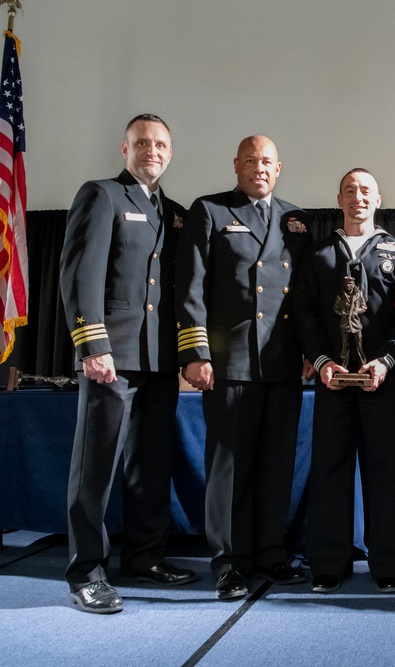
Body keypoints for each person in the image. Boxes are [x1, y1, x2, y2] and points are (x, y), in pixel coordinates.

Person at [60, 113, 196, 614]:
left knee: (149, 466)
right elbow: (80, 275)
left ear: (170, 152)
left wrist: (186, 355)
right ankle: (86, 572)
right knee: (94, 467)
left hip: (159, 360)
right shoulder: (102, 195)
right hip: (111, 358)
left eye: (161, 143)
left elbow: (180, 293)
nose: (152, 150)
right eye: (142, 142)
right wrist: (92, 345)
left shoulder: (176, 213)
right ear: (125, 149)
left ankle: (144, 557)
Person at [176, 135, 314, 601]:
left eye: (267, 161)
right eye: (251, 160)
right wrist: (195, 354)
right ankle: (229, 563)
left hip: (282, 364)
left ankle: (271, 552)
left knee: (277, 465)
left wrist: (311, 354)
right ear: (236, 165)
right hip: (230, 362)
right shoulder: (210, 210)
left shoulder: (296, 220)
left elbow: (307, 297)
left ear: (280, 169)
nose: (259, 167)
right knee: (229, 467)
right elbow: (190, 288)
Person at [294, 168, 395, 594]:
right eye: (349, 190)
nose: (358, 197)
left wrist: (386, 361)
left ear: (379, 198)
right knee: (330, 470)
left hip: (380, 382)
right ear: (339, 198)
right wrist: (321, 359)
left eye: (365, 190)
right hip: (332, 382)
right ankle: (330, 563)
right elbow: (306, 316)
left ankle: (389, 564)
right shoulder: (317, 255)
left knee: (386, 470)